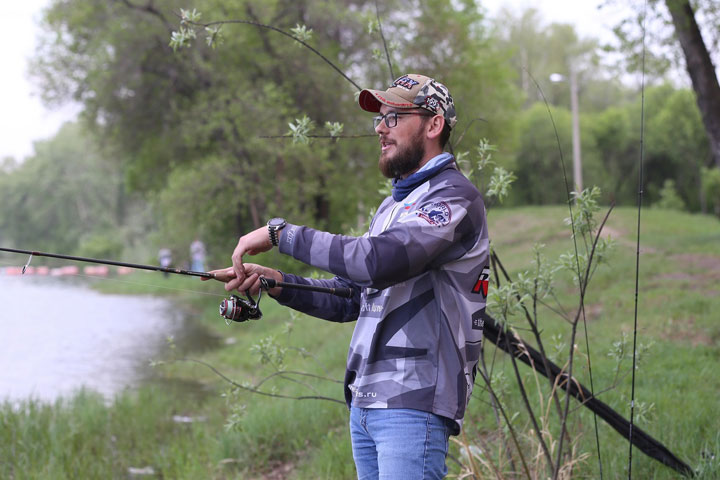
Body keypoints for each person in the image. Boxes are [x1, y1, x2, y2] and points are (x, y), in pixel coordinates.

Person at [208, 74, 490, 479]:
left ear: (433, 125)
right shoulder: (392, 206)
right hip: (367, 404)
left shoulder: (453, 198)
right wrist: (277, 283)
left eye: (393, 116)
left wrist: (280, 234)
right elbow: (356, 296)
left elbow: (375, 262)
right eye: (380, 118)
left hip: (414, 404)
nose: (379, 127)